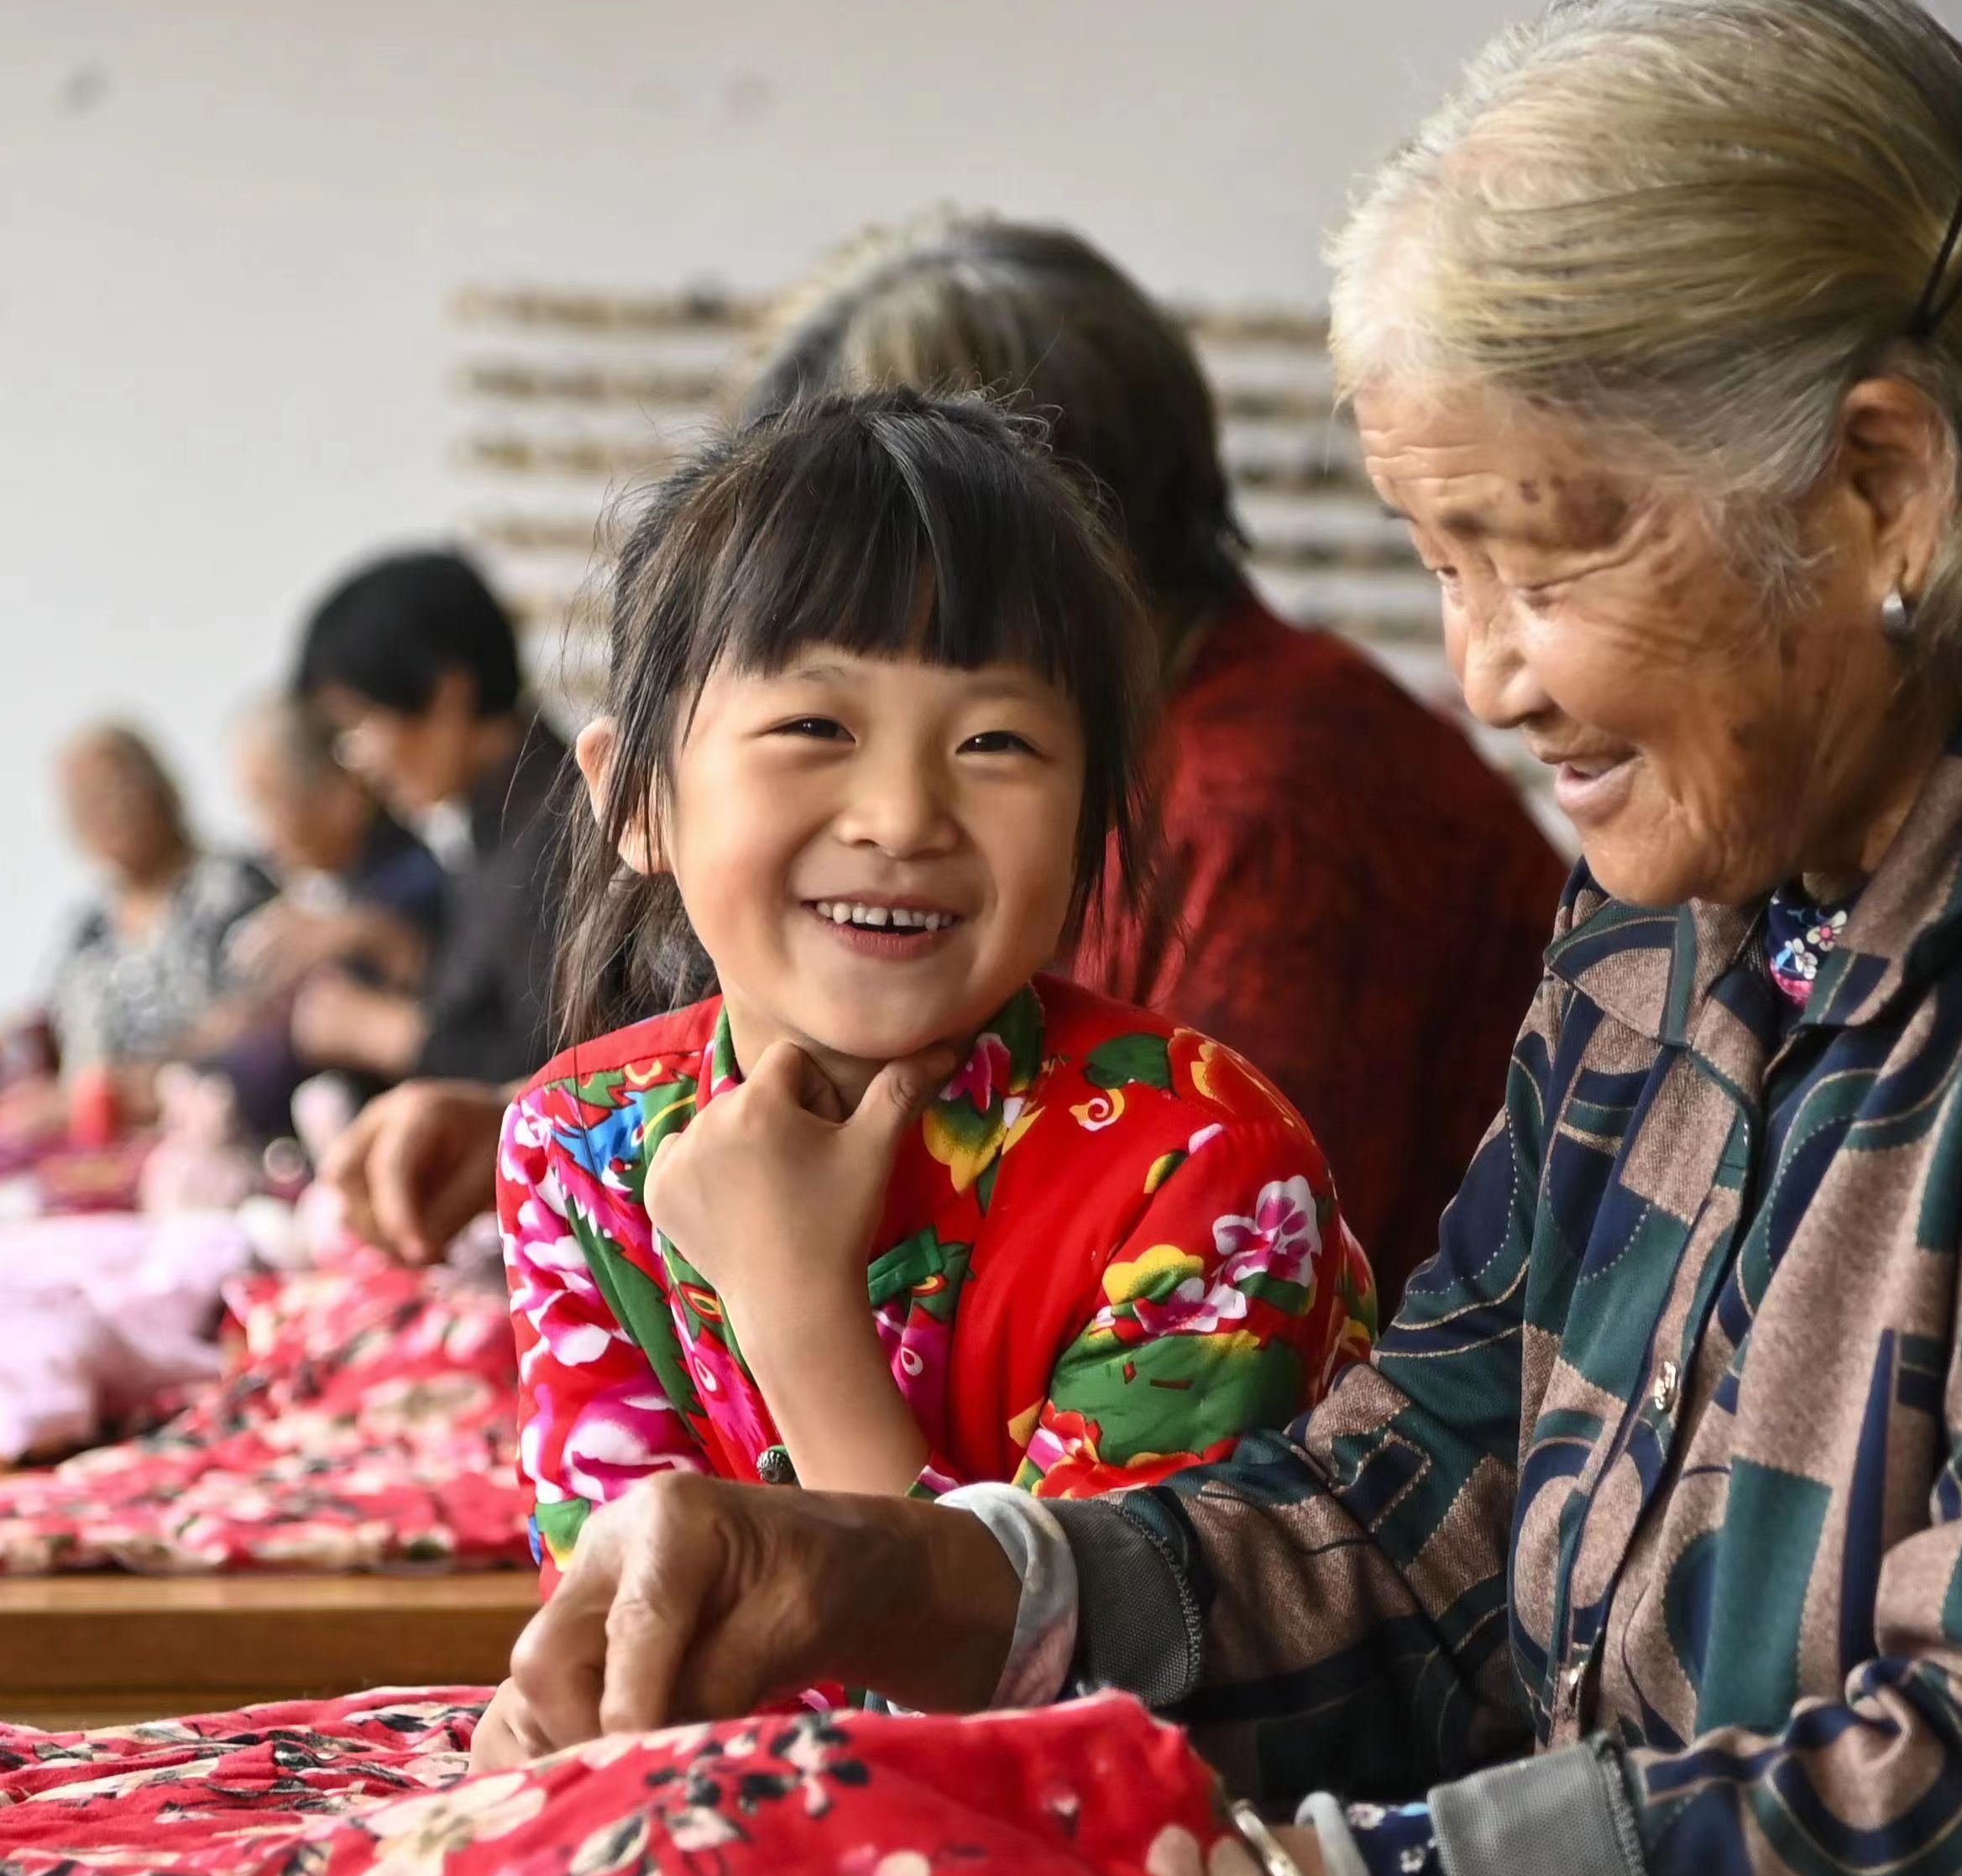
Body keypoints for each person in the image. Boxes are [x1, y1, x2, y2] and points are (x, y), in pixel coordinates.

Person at [479, 0, 1962, 1876]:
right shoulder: (1691, 917)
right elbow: (1399, 1518)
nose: (1488, 672)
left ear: (1879, 487)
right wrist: (902, 1578)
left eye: (1542, 551)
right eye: (1440, 560)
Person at [323, 219, 1570, 1301]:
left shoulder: (1271, 805)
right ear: (633, 793)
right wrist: (622, 1141)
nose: (900, 815)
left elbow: (1135, 1240)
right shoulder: (1196, 732)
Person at [482, 388, 1376, 1731]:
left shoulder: (1205, 1175)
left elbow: (1098, 1733)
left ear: (1092, 819)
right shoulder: (584, 1146)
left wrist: (793, 1308)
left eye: (996, 744)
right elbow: (632, 1674)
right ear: (637, 798)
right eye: (814, 729)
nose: (904, 817)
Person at [286, 548, 572, 1090]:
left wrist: (387, 1033)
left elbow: (569, 1072)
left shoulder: (561, 826)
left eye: (361, 722)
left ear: (447, 695)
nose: (357, 757)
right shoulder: (490, 824)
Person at [0, 723, 270, 1132]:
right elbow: (56, 1022)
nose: (103, 812)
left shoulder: (232, 887)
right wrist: (7, 1042)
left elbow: (264, 1019)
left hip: (212, 1133)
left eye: (115, 790)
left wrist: (129, 1087)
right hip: (96, 1147)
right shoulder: (88, 928)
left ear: (162, 789)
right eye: (82, 802)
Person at [199, 698, 446, 1139]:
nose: (262, 832)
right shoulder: (326, 890)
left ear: (339, 794)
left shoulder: (413, 884)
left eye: (269, 801)